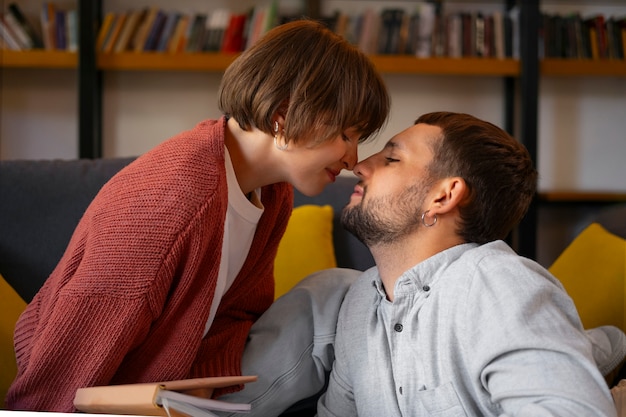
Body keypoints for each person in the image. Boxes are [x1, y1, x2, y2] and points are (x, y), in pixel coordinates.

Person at [6, 19, 390, 412]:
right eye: (347, 134)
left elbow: (238, 310)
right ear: (284, 114)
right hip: (106, 397)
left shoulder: (272, 193)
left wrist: (204, 382)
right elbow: (79, 336)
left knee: (340, 290)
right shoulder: (172, 198)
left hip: (185, 385)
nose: (352, 159)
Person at [314, 111, 623, 416]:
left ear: (444, 196)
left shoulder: (496, 284)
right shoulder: (362, 300)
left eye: (392, 159)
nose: (360, 165)